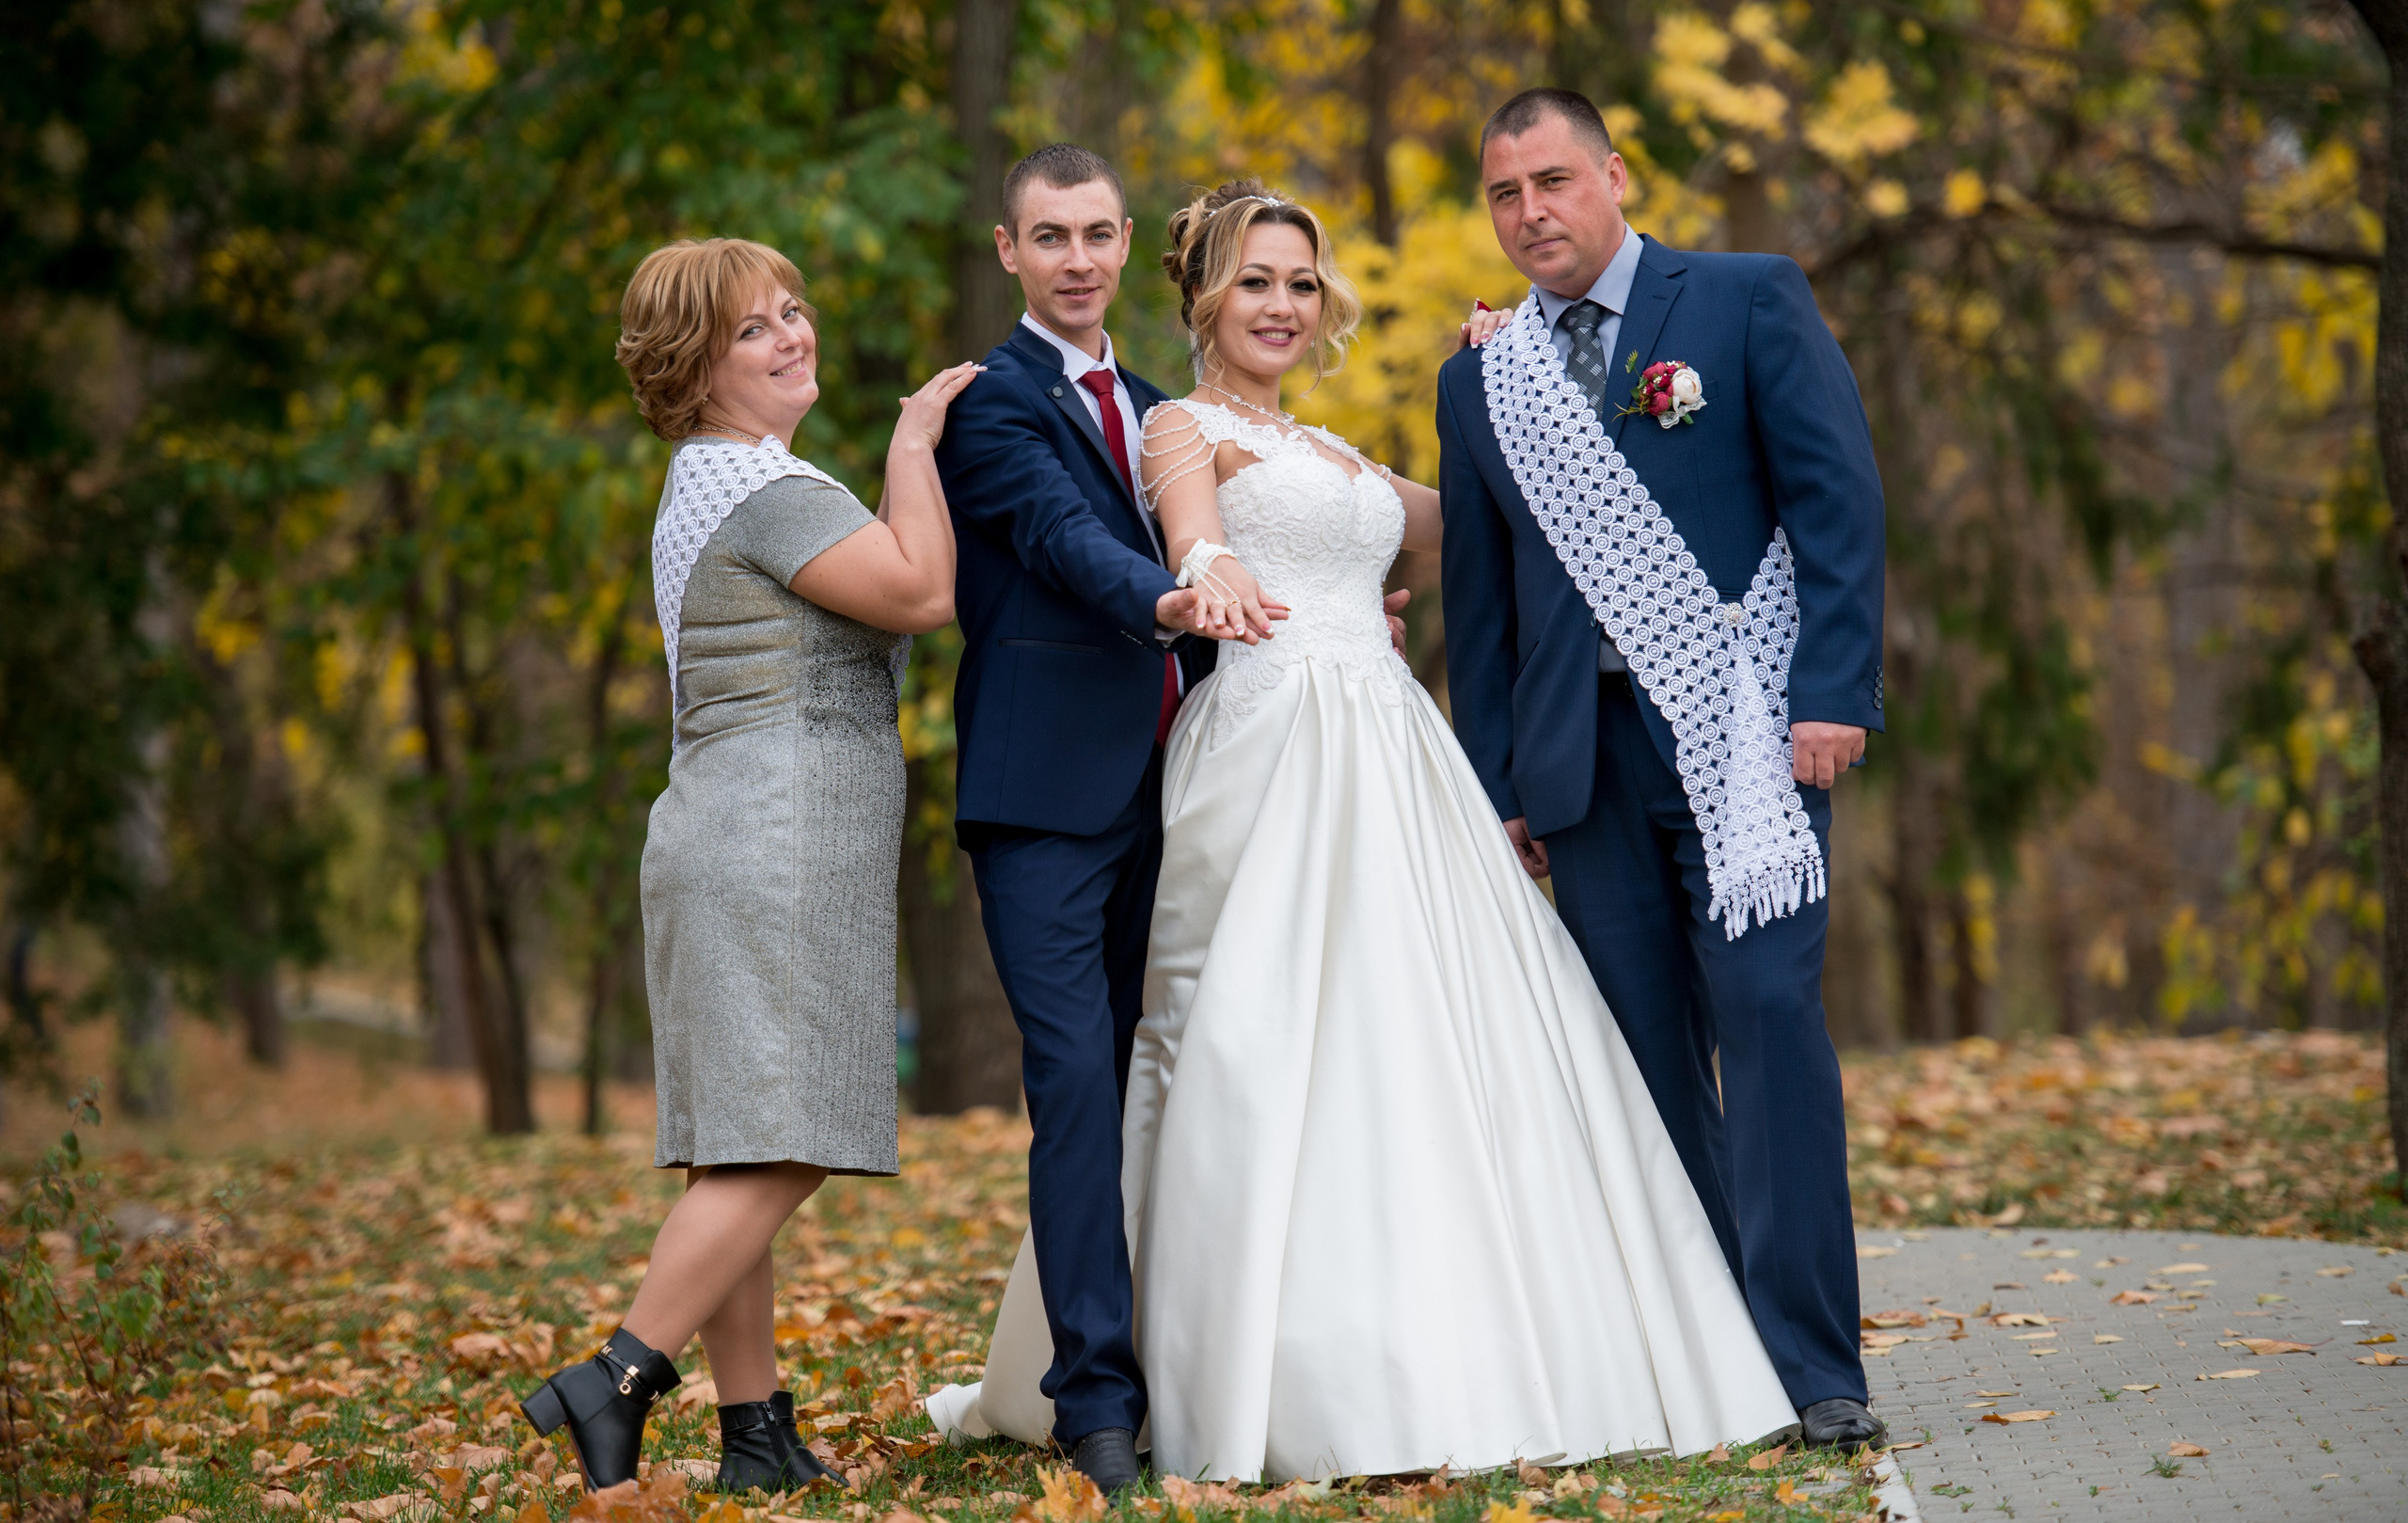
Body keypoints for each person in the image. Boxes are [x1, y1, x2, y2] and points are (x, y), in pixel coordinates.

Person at [927, 179, 1798, 1484]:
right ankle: (1249, 1356)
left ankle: (1485, 1335)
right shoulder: (1179, 427)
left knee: (1435, 1029)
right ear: (1204, 297)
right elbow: (1194, 548)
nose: (1280, 305)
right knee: (1265, 1033)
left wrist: (1513, 389)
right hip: (1276, 742)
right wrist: (1212, 581)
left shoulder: (1333, 451)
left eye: (1298, 283)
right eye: (1254, 282)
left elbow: (1470, 523)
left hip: (1393, 745)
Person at [1440, 89, 1888, 1450]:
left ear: (1615, 177)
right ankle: (1715, 1365)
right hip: (1584, 766)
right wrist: (1500, 776)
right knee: (1644, 1066)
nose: (1532, 214)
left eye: (1555, 182)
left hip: (1749, 739)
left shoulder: (1744, 301)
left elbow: (1837, 501)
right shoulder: (1477, 377)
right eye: (1507, 194)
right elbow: (1485, 600)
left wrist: (1833, 694)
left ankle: (1817, 1371)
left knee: (1766, 1026)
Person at [518, 237, 981, 1492]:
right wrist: (910, 450)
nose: (792, 336)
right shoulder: (765, 488)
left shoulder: (711, 482)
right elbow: (920, 588)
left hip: (724, 831)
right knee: (790, 1136)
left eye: (794, 311)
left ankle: (757, 1437)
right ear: (694, 366)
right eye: (751, 330)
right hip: (775, 839)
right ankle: (616, 1375)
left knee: (740, 1145)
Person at [926, 143, 1291, 1496]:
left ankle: (1206, 1361)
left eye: (1095, 234)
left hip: (1179, 789)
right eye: (1048, 237)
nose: (1076, 258)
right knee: (1077, 1085)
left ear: (1128, 242)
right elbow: (1058, 543)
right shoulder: (991, 405)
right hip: (1042, 805)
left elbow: (1240, 533)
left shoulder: (1157, 408)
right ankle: (1095, 1402)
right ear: (1009, 252)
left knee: (1185, 1076)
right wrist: (1169, 598)